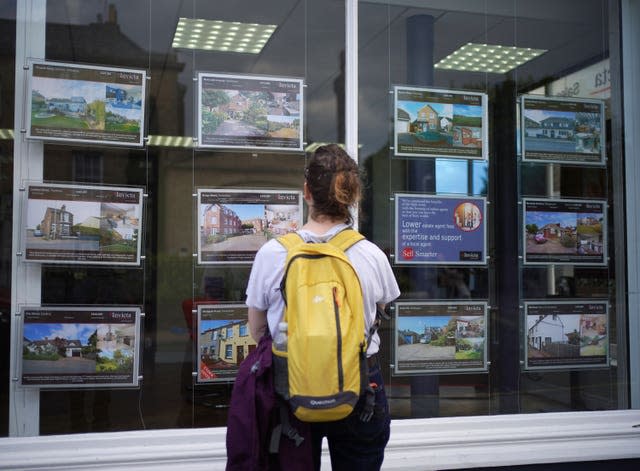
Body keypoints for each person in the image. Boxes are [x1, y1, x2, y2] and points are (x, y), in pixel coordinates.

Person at [245, 143, 400, 470]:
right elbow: (384, 307)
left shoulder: (273, 254)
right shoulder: (370, 254)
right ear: (353, 195)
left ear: (306, 192)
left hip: (291, 383)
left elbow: (258, 330)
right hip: (360, 385)